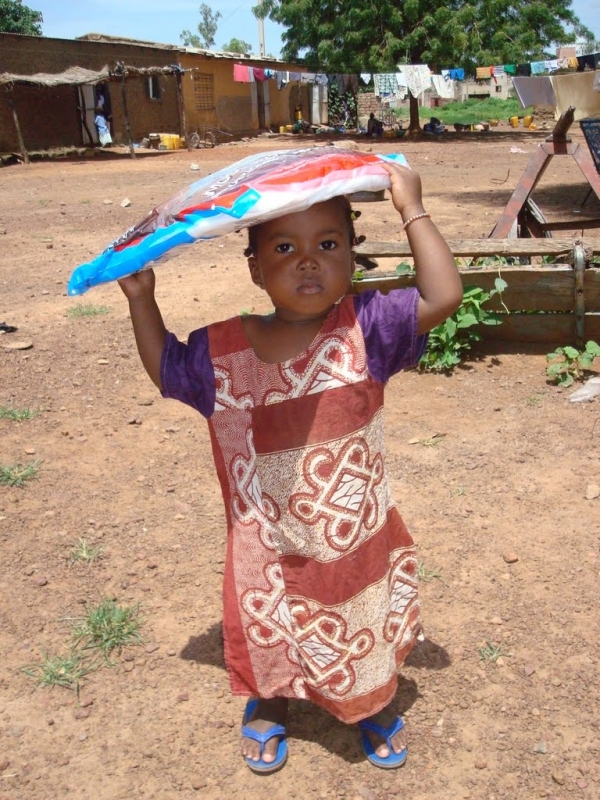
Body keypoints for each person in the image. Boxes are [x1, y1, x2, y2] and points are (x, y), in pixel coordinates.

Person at [118, 161, 463, 774]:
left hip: (352, 534)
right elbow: (166, 368)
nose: (308, 261)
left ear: (353, 257)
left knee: (360, 618)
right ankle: (269, 700)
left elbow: (444, 296)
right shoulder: (221, 351)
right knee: (269, 624)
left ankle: (370, 700)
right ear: (254, 267)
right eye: (284, 248)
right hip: (265, 540)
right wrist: (142, 298)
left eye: (328, 245)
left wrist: (411, 207)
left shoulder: (367, 329)